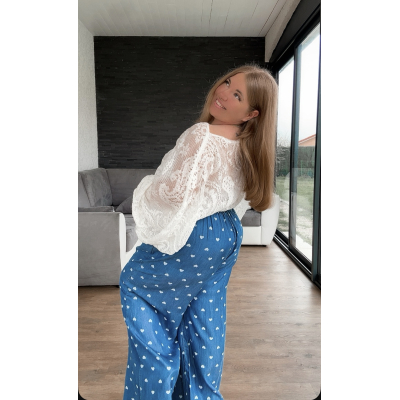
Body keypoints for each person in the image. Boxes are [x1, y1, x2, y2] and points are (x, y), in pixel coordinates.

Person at [119, 64, 278, 400]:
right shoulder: (248, 144)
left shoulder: (202, 134)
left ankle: (154, 390)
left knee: (136, 288)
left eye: (237, 95)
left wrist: (147, 187)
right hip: (226, 234)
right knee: (203, 321)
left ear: (251, 113)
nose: (224, 93)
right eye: (227, 83)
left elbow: (175, 193)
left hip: (195, 236)